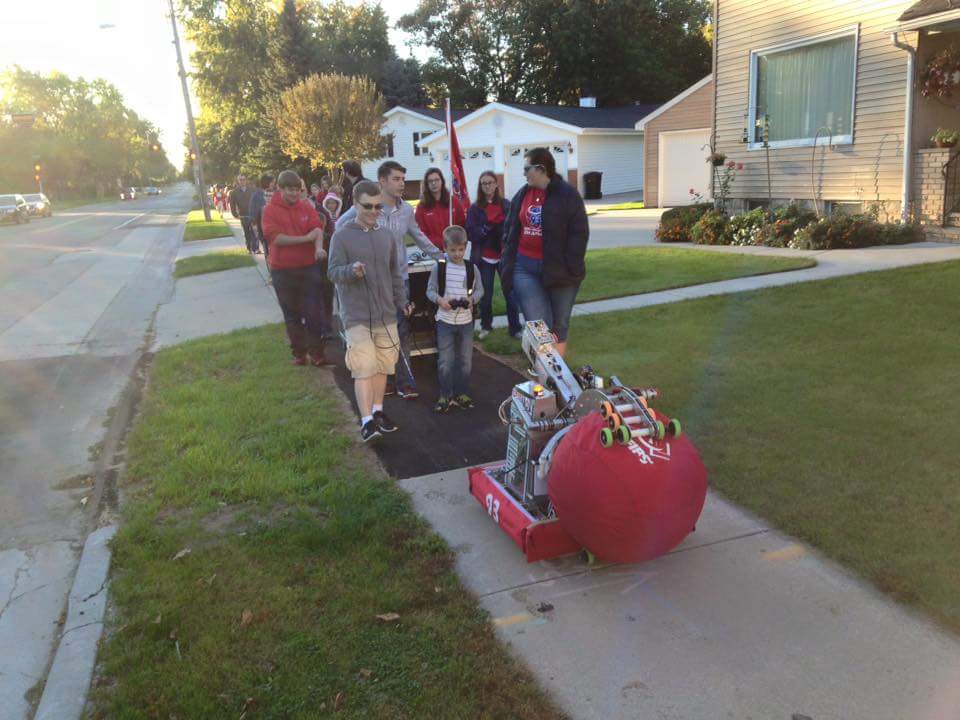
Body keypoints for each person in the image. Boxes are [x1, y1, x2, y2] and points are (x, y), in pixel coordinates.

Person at [337, 161, 441, 399]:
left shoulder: (406, 210)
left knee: (401, 330)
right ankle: (385, 379)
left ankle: (405, 382)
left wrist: (442, 256)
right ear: (382, 181)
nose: (402, 183)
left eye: (403, 179)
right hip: (370, 284)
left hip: (398, 281)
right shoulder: (368, 206)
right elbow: (340, 227)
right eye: (396, 179)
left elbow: (419, 236)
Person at [328, 180, 410, 442]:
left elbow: (395, 274)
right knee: (364, 366)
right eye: (368, 206)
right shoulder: (341, 235)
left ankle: (378, 413)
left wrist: (402, 301)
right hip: (356, 315)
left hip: (385, 313)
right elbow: (332, 273)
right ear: (354, 204)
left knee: (383, 367)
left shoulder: (386, 236)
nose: (374, 211)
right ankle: (366, 422)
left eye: (378, 207)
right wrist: (351, 271)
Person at [500, 147, 588, 357]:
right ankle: (544, 379)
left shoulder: (567, 195)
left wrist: (571, 267)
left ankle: (556, 380)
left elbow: (579, 234)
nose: (524, 173)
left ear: (540, 169)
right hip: (525, 268)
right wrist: (507, 260)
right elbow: (510, 229)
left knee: (559, 327)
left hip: (561, 271)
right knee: (539, 328)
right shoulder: (522, 194)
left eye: (527, 168)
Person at [260, 169, 333, 366]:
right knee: (291, 314)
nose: (294, 193)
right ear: (280, 189)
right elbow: (275, 238)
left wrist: (317, 248)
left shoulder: (305, 207)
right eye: (289, 190)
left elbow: (317, 228)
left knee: (313, 313)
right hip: (282, 270)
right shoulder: (269, 210)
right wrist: (305, 239)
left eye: (297, 189)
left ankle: (317, 353)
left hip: (308, 268)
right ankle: (299, 353)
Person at [426, 225, 484, 413]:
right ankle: (445, 394)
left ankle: (462, 393)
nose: (457, 254)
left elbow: (480, 290)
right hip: (445, 321)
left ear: (465, 247)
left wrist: (471, 299)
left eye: (461, 249)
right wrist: (440, 300)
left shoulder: (471, 268)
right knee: (446, 361)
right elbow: (430, 291)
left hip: (466, 322)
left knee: (465, 360)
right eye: (453, 250)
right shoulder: (439, 268)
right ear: (445, 248)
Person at [466, 171, 522, 339]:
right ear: (480, 186)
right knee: (486, 296)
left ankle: (515, 329)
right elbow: (470, 232)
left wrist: (503, 231)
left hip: (504, 257)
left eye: (490, 182)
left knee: (511, 295)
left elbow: (515, 228)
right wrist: (485, 230)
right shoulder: (475, 208)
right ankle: (486, 327)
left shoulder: (506, 205)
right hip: (484, 258)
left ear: (496, 184)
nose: (487, 186)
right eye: (484, 183)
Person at [415, 167, 468, 250]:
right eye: (430, 181)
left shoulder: (453, 202)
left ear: (442, 181)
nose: (434, 183)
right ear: (427, 184)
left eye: (437, 180)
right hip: (433, 251)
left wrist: (454, 241)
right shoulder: (421, 207)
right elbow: (422, 234)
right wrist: (443, 243)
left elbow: (462, 225)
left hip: (454, 250)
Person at [229, 174, 260, 254]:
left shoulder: (252, 189)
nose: (242, 181)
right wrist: (235, 214)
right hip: (243, 215)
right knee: (246, 233)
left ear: (246, 180)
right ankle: (249, 248)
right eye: (240, 180)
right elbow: (232, 204)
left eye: (244, 179)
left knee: (254, 232)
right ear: (238, 181)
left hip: (252, 214)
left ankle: (256, 248)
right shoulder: (234, 192)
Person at [248, 174, 275, 260]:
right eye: (272, 182)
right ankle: (270, 267)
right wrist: (254, 225)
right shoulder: (256, 195)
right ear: (267, 183)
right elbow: (252, 211)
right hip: (262, 227)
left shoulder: (275, 192)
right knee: (267, 249)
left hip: (274, 226)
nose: (273, 184)